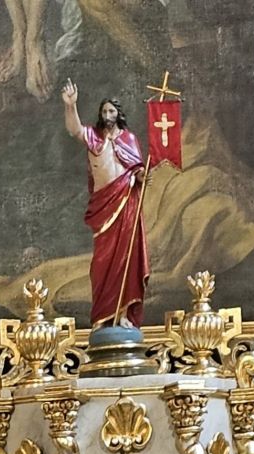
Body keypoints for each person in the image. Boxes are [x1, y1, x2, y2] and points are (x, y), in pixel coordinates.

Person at [61, 83, 148, 329]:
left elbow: (137, 170)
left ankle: (123, 314)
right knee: (101, 262)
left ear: (118, 114)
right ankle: (102, 315)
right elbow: (75, 129)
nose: (107, 115)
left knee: (126, 258)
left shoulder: (129, 139)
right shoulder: (94, 136)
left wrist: (142, 176)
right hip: (103, 207)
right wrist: (70, 106)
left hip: (125, 205)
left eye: (111, 111)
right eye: (104, 111)